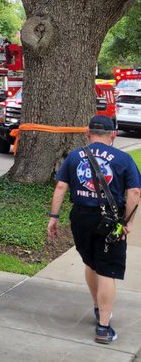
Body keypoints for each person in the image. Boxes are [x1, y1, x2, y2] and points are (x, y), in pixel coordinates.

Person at [47, 115, 141, 344]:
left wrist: (53, 217)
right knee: (107, 270)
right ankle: (103, 327)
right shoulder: (123, 159)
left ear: (88, 134)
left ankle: (98, 307)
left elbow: (61, 186)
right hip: (112, 221)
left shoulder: (74, 156)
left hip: (81, 217)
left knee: (91, 263)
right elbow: (135, 193)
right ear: (113, 135)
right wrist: (127, 223)